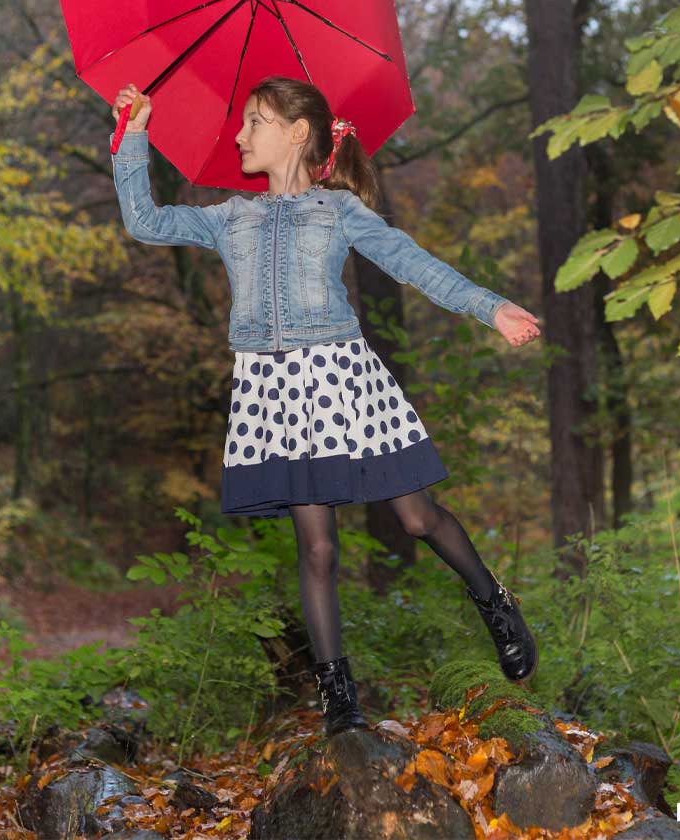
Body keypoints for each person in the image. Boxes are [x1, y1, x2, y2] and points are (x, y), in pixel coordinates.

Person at [110, 75, 541, 738]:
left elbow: (413, 263)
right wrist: (135, 132)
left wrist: (491, 307)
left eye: (254, 122)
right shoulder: (231, 217)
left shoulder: (339, 212)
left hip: (342, 376)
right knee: (316, 549)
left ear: (297, 133)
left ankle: (495, 603)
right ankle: (340, 697)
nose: (240, 134)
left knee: (418, 517)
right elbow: (145, 222)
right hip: (272, 392)